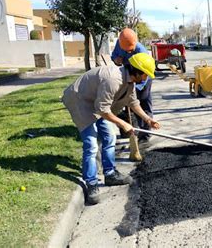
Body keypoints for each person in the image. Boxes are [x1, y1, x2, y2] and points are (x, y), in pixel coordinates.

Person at [62, 53, 161, 204]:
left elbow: (133, 103)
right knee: (91, 144)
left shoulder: (130, 83)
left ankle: (110, 174)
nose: (146, 78)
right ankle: (91, 183)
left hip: (97, 103)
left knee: (110, 137)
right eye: (146, 75)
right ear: (137, 71)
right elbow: (102, 110)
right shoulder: (113, 79)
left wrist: (148, 119)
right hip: (80, 101)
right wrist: (123, 124)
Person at [111, 28, 153, 141]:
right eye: (126, 50)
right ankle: (134, 129)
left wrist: (134, 88)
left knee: (143, 104)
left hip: (143, 80)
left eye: (131, 50)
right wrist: (116, 60)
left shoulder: (141, 51)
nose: (129, 52)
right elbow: (113, 56)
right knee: (130, 105)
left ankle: (145, 133)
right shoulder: (120, 43)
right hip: (128, 78)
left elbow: (145, 75)